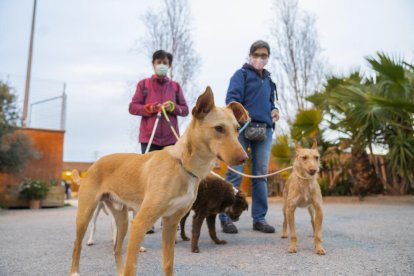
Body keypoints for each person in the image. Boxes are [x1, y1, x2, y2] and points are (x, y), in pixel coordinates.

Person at [219, 40, 279, 234]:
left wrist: (274, 110)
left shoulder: (269, 80)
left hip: (265, 130)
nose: (260, 59)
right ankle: (225, 216)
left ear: (268, 58)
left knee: (260, 175)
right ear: (250, 55)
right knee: (235, 172)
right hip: (243, 129)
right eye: (257, 55)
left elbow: (271, 102)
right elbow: (231, 100)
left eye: (264, 56)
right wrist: (243, 112)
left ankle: (259, 218)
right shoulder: (241, 75)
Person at [129, 49, 189, 233]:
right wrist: (149, 108)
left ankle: (169, 219)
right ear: (153, 64)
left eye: (165, 62)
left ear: (169, 65)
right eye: (158, 61)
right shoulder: (144, 85)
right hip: (150, 136)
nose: (161, 65)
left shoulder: (176, 87)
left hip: (171, 139)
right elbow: (133, 107)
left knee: (172, 178)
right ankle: (145, 219)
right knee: (148, 179)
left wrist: (174, 108)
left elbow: (185, 109)